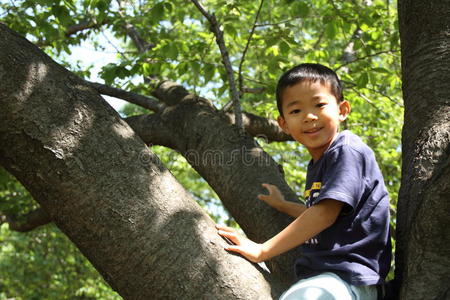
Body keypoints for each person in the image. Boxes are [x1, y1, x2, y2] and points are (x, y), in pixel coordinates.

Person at [217, 63, 392, 300]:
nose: (309, 117)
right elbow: (331, 215)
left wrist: (262, 250)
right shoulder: (319, 163)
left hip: (350, 276)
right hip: (331, 278)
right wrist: (284, 205)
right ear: (283, 124)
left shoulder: (347, 150)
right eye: (296, 111)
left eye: (319, 105)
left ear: (343, 109)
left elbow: (324, 214)